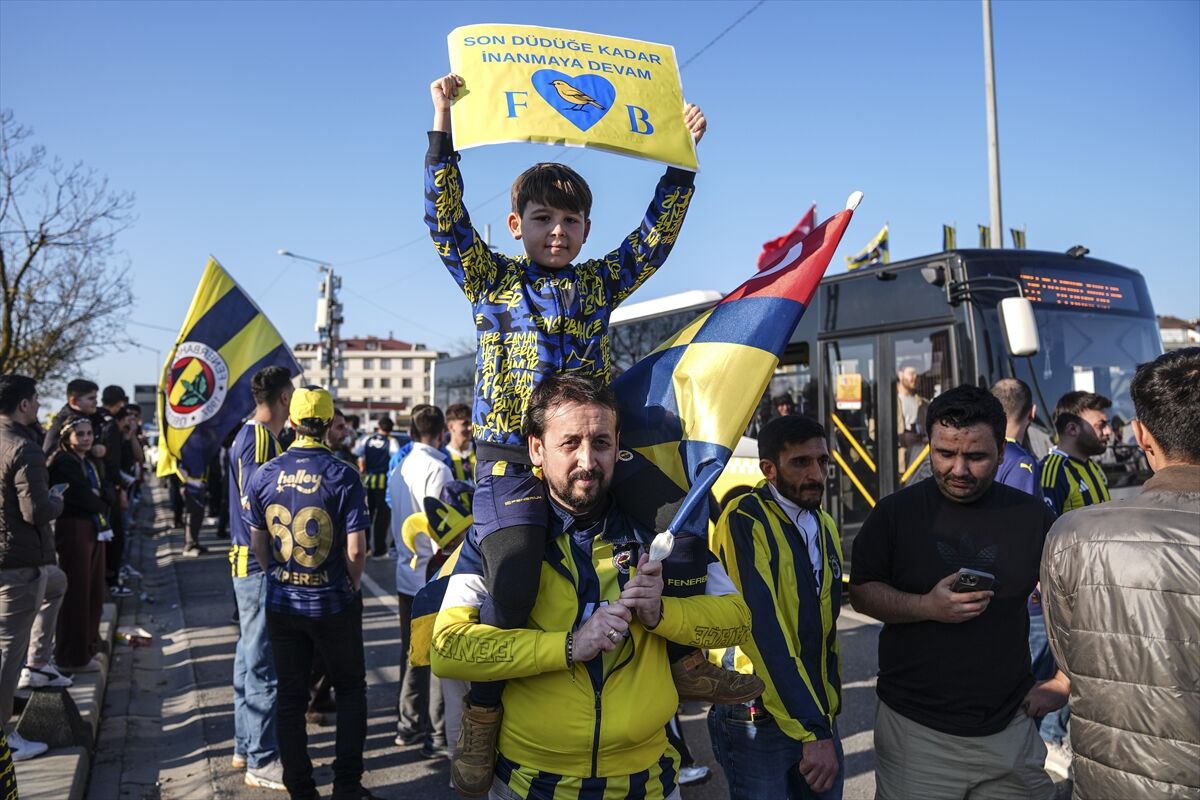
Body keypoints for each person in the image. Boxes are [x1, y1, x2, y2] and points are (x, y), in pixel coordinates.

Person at [426, 72, 750, 796]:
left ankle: (683, 664)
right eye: (542, 219)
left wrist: (682, 160)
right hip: (513, 454)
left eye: (571, 222)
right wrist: (442, 124)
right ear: (517, 225)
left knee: (683, 521)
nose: (557, 233)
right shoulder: (490, 281)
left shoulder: (601, 282)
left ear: (586, 230)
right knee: (509, 575)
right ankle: (483, 712)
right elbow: (446, 224)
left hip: (594, 444)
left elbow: (655, 241)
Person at [431, 373, 752, 800]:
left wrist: (663, 614)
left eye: (601, 443)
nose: (588, 460)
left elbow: (738, 622)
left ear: (618, 446)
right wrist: (568, 646)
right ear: (537, 449)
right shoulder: (498, 539)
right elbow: (448, 648)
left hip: (647, 783)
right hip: (529, 784)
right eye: (570, 444)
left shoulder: (658, 533)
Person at [849, 385, 1059, 800]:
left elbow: (1076, 604)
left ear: (1002, 451)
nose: (958, 469)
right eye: (945, 453)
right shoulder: (894, 514)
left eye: (976, 457)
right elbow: (862, 594)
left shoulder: (1033, 517)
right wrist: (926, 606)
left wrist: (1064, 681)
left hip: (1010, 731)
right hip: (915, 732)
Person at [1041, 347, 1200, 799]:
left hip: (1111, 782)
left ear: (1142, 434)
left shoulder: (1073, 535)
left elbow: (1072, 656)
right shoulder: (1060, 479)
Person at [246, 387, 377, 800]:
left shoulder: (265, 473)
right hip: (332, 600)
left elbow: (257, 542)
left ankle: (300, 787)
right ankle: (347, 785)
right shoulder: (343, 474)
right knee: (351, 689)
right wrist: (353, 582)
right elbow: (356, 548)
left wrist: (275, 574)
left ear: (292, 422)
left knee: (290, 696)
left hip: (284, 601)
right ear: (328, 422)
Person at [709, 415, 845, 799]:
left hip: (815, 714)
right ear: (768, 469)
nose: (816, 474)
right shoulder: (744, 520)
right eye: (800, 462)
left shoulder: (825, 523)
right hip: (757, 714)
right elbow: (764, 631)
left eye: (822, 461)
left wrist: (824, 715)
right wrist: (812, 729)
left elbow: (826, 632)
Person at [990, 378, 1070, 776]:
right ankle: (1042, 749)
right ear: (1032, 413)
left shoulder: (983, 457)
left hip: (993, 593)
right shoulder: (1021, 462)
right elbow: (1027, 530)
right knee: (1039, 681)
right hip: (1027, 597)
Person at [227, 365, 292, 790]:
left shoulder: (242, 434)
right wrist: (272, 560)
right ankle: (262, 760)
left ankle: (243, 746)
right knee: (263, 662)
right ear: (285, 398)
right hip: (256, 561)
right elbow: (257, 505)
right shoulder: (261, 440)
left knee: (247, 657)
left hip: (242, 558)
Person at [0, 374, 63, 763]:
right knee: (9, 653)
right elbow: (35, 510)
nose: (40, 404)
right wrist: (56, 500)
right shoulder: (24, 447)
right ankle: (5, 734)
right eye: (37, 398)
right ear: (23, 404)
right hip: (19, 563)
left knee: (59, 584)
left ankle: (39, 663)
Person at [390, 405, 450, 758]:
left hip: (404, 570)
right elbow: (443, 529)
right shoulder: (437, 469)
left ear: (412, 431)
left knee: (411, 653)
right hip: (430, 572)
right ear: (441, 432)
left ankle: (408, 724)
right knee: (437, 655)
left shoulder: (401, 468)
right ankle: (437, 733)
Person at [47, 416, 110, 675]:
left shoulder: (90, 460)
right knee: (77, 592)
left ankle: (87, 647)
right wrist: (97, 498)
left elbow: (105, 490)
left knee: (93, 589)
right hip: (74, 527)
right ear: (66, 437)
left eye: (89, 433)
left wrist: (100, 497)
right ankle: (71, 656)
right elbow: (81, 495)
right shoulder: (63, 461)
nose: (86, 438)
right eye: (80, 434)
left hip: (94, 526)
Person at [1039, 391, 1111, 516]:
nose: (1108, 431)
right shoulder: (1052, 472)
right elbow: (1048, 532)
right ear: (1072, 429)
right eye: (1101, 425)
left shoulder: (1092, 465)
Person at [356, 416, 400, 558]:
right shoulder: (391, 442)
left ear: (378, 426)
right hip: (384, 481)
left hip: (368, 480)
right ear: (391, 428)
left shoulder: (367, 439)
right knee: (383, 518)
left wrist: (362, 465)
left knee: (367, 515)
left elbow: (358, 453)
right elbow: (396, 461)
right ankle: (379, 550)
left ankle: (366, 548)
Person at [894, 359, 929, 477]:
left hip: (920, 462)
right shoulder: (889, 402)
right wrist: (901, 438)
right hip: (900, 465)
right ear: (900, 374)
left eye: (917, 374)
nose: (915, 377)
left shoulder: (923, 403)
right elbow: (874, 434)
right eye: (911, 373)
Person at [443, 403, 475, 484]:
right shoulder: (443, 457)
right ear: (451, 427)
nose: (470, 427)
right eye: (465, 423)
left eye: (471, 423)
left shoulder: (479, 451)